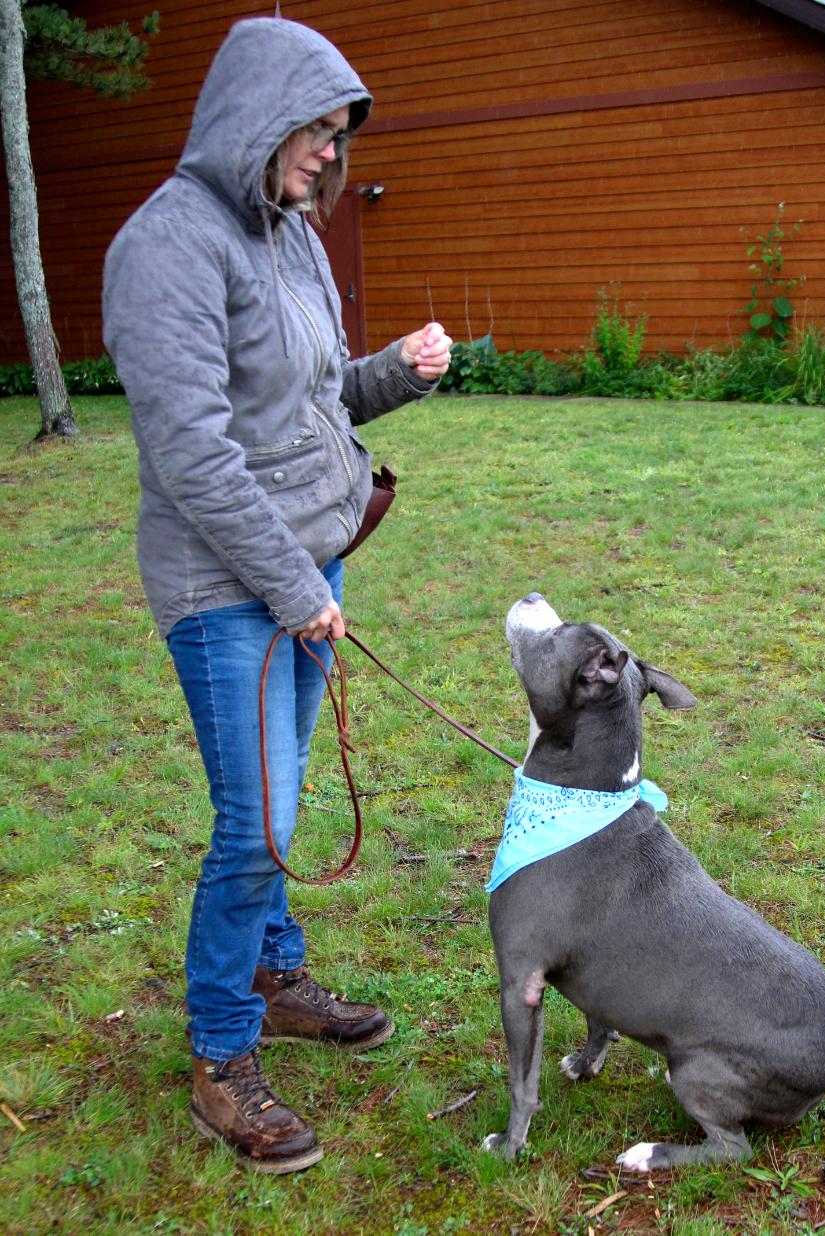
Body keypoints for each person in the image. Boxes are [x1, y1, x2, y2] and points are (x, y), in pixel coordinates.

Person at [102, 16, 451, 1175]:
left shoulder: (288, 233)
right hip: (227, 585)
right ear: (255, 113)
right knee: (258, 827)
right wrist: (299, 587)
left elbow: (310, 402)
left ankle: (275, 971)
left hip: (306, 569)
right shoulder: (166, 247)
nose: (325, 155)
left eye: (338, 136)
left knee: (279, 815)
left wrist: (394, 373)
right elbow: (196, 455)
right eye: (313, 129)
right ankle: (222, 1056)